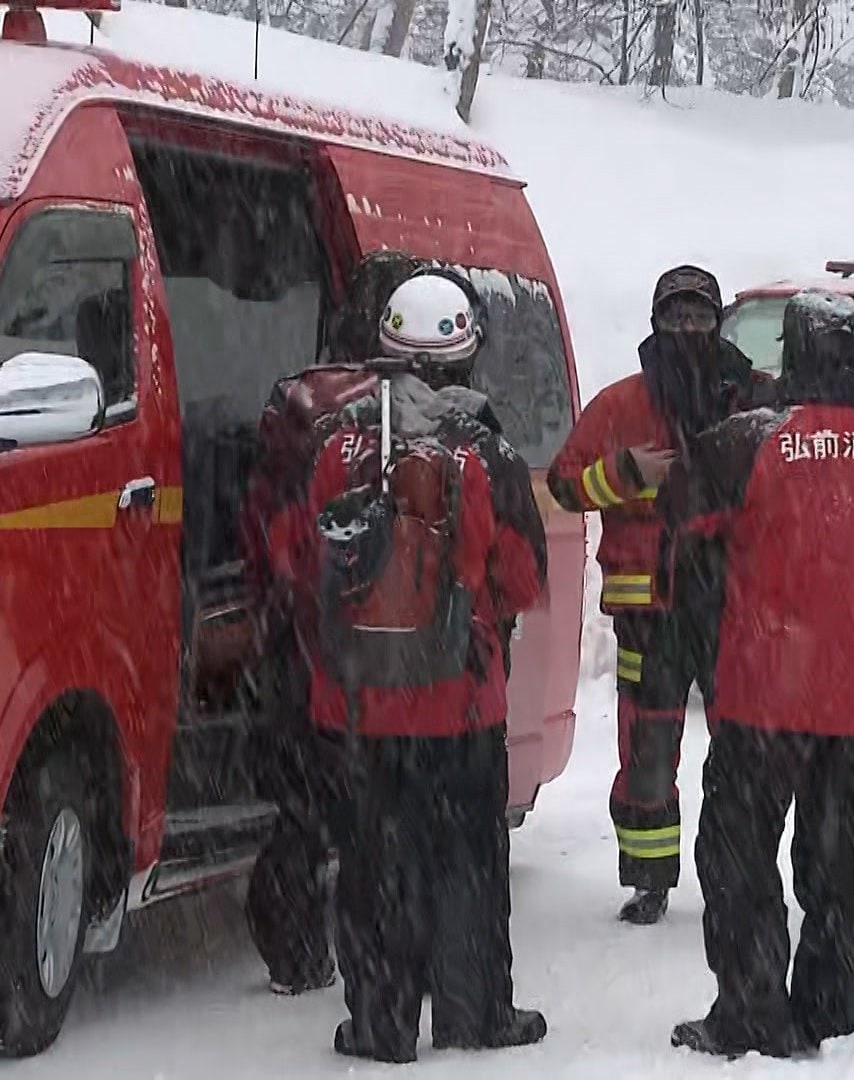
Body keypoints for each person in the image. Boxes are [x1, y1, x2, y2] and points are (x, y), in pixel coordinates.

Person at [283, 270, 549, 1062]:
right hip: (461, 709)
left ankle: (380, 1023)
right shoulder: (488, 454)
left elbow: (302, 563)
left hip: (359, 708)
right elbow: (523, 577)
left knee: (372, 865)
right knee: (468, 863)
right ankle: (474, 1016)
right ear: (466, 352)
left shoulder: (338, 447)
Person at [660, 290, 854, 1059]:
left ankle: (751, 1012)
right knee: (839, 860)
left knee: (739, 854)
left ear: (791, 350)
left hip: (764, 692)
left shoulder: (746, 441)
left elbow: (681, 518)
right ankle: (836, 1005)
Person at [546, 265, 771, 925]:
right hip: (650, 614)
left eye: (700, 317)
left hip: (732, 608)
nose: (688, 330)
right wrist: (627, 473)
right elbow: (564, 484)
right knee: (646, 748)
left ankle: (741, 867)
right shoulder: (620, 406)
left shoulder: (751, 396)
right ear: (655, 325)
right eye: (676, 318)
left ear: (719, 321)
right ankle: (650, 879)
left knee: (744, 744)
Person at [238, 249, 425, 997]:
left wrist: (276, 604)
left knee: (303, 812)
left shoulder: (301, 402)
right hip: (379, 650)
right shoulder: (413, 412)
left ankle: (297, 955)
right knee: (375, 816)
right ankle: (378, 966)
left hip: (301, 642)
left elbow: (267, 527)